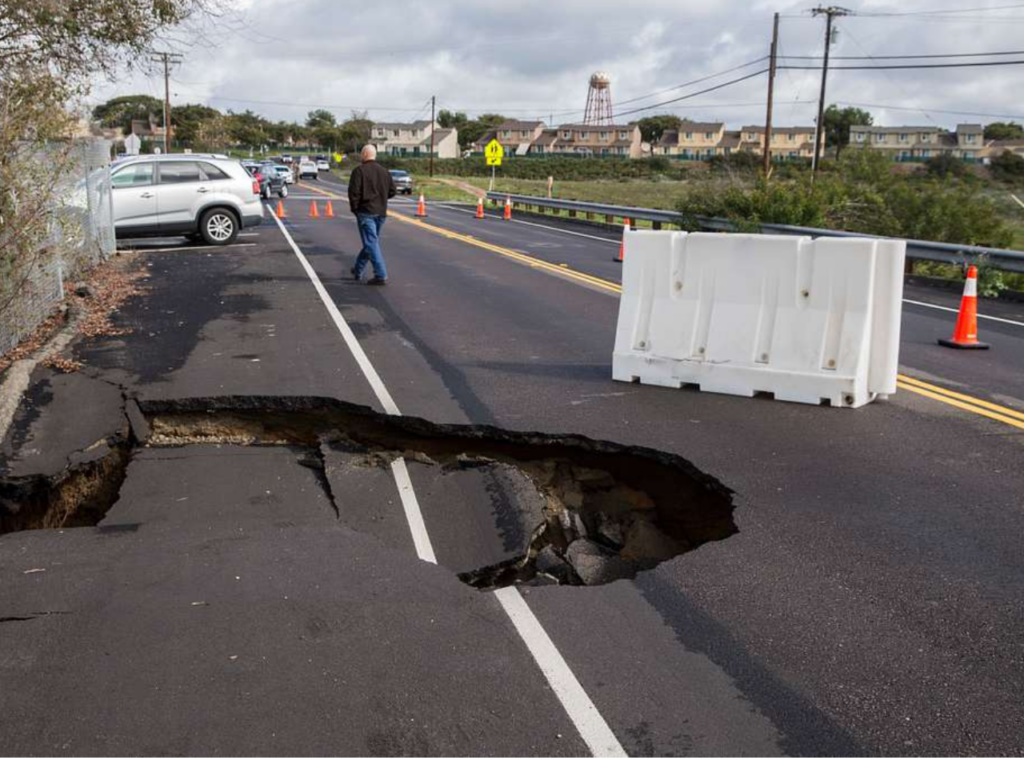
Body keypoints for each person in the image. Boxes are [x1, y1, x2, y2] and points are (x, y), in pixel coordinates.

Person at [348, 144, 396, 286]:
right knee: (371, 243)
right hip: (381, 212)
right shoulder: (384, 172)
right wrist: (381, 198)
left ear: (363, 155)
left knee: (371, 243)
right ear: (374, 155)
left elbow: (353, 193)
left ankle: (380, 274)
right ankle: (357, 270)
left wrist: (355, 210)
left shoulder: (359, 171)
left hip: (365, 212)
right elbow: (392, 191)